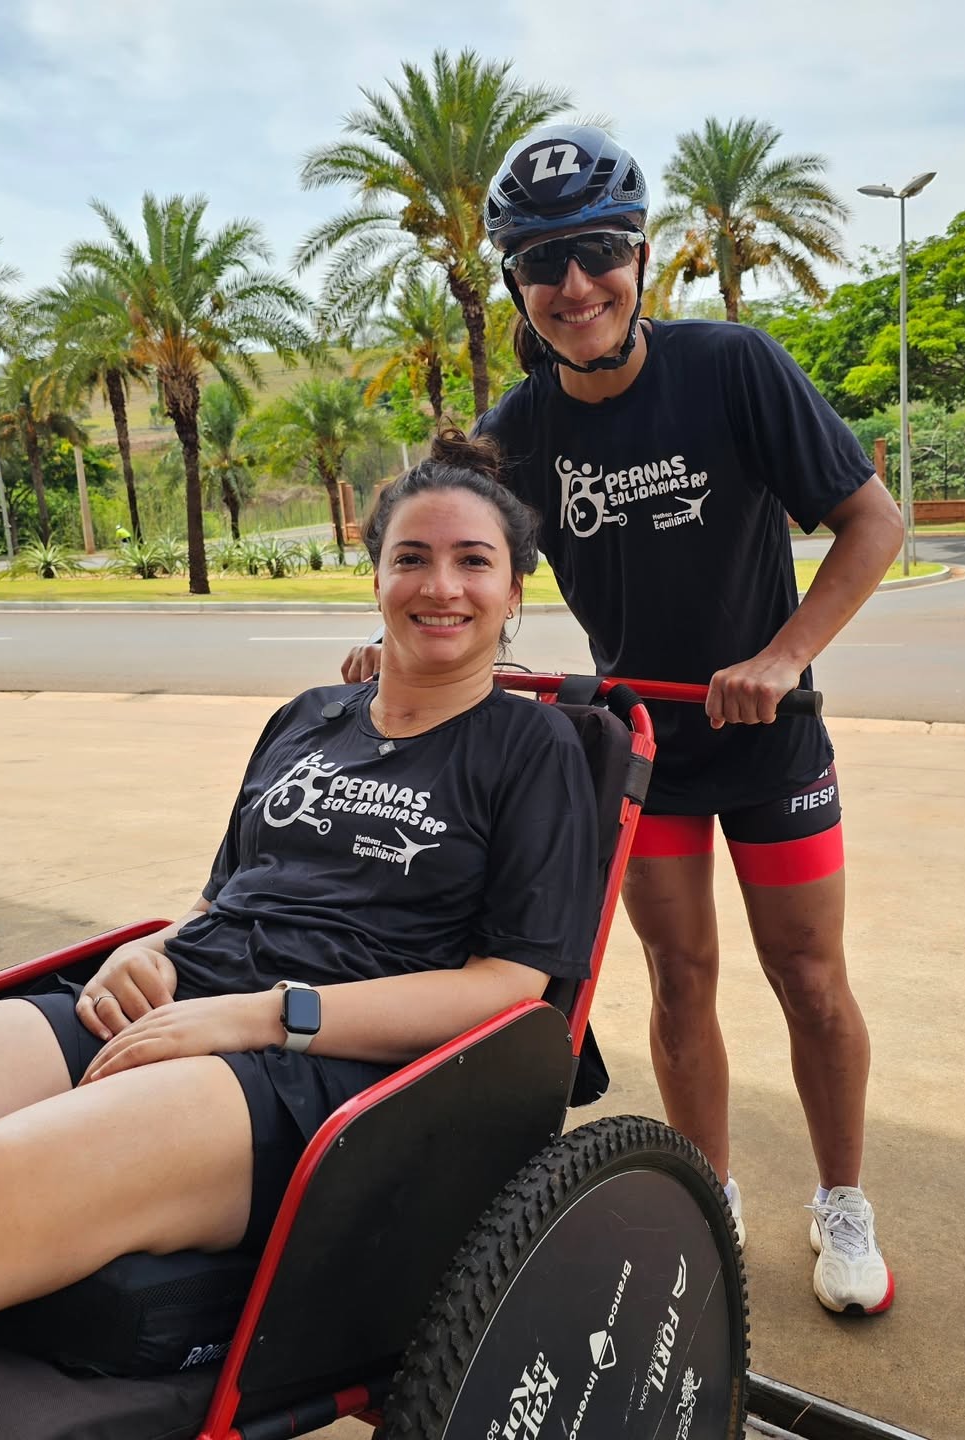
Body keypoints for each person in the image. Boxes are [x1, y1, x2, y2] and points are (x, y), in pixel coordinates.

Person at [344, 125, 905, 1315]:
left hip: (771, 738)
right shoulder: (521, 430)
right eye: (543, 262)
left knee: (809, 976)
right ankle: (712, 1195)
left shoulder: (733, 367)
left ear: (643, 256)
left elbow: (873, 525)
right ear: (514, 283)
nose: (576, 284)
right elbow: (466, 568)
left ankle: (843, 1201)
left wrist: (782, 654)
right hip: (640, 745)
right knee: (680, 977)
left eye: (598, 249)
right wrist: (403, 650)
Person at [0, 431, 598, 1327]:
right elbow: (220, 896)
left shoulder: (534, 748)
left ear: (513, 594)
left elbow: (509, 990)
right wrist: (149, 953)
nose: (442, 586)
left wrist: (267, 1015)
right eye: (411, 558)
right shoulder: (308, 719)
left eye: (474, 562)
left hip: (320, 1066)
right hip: (184, 995)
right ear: (375, 577)